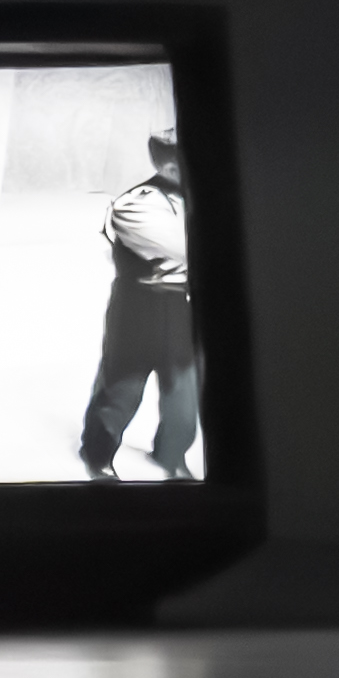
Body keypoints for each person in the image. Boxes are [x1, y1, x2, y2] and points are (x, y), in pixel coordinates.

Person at [79, 129, 201, 481]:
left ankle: (171, 455)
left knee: (183, 391)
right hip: (141, 306)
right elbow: (187, 249)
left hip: (184, 304)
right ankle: (98, 454)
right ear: (168, 167)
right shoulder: (136, 203)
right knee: (122, 385)